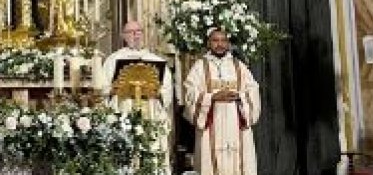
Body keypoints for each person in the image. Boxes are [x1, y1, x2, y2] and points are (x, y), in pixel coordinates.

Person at [182, 28, 261, 175]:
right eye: (215, 40)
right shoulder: (199, 67)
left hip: (236, 122)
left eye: (223, 41)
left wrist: (239, 96)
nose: (220, 44)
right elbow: (189, 92)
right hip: (211, 122)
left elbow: (253, 90)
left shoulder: (239, 66)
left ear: (228, 43)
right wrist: (211, 97)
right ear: (208, 43)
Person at [102, 20, 174, 171]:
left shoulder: (156, 60)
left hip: (151, 110)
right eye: (130, 32)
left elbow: (167, 89)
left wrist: (158, 93)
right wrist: (112, 90)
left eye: (138, 31)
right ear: (123, 36)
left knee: (151, 147)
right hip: (123, 109)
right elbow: (103, 87)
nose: (135, 35)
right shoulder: (113, 60)